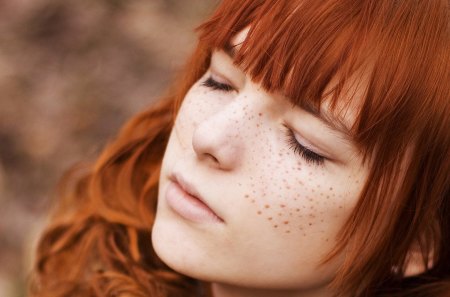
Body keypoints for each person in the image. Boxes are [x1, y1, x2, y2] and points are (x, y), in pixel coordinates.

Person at [29, 0, 449, 296]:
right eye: (220, 81)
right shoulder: (95, 264)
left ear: (413, 242)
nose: (208, 138)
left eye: (305, 144)